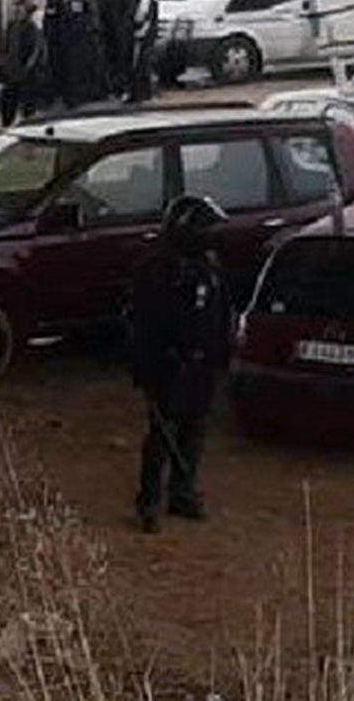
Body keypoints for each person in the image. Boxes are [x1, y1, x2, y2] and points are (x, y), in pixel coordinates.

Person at [129, 196, 233, 533]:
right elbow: (143, 323)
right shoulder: (159, 268)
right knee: (162, 435)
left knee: (194, 431)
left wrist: (221, 353)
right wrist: (146, 368)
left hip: (203, 366)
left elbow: (219, 312)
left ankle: (182, 494)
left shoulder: (209, 266)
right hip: (169, 365)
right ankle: (149, 502)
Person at [1, 0, 45, 127]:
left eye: (20, 10)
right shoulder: (12, 27)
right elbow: (8, 47)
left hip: (26, 72)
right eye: (17, 10)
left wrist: (27, 66)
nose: (17, 12)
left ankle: (27, 123)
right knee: (9, 101)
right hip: (12, 71)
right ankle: (8, 123)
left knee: (27, 102)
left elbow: (35, 50)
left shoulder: (31, 27)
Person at [102, 0, 139, 100]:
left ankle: (112, 88)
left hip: (110, 31)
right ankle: (123, 89)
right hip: (124, 32)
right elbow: (131, 12)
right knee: (124, 61)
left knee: (112, 60)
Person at [131, 0, 161, 103]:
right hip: (152, 27)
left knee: (140, 62)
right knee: (147, 60)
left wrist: (137, 23)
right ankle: (149, 92)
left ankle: (141, 93)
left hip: (144, 29)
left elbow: (143, 9)